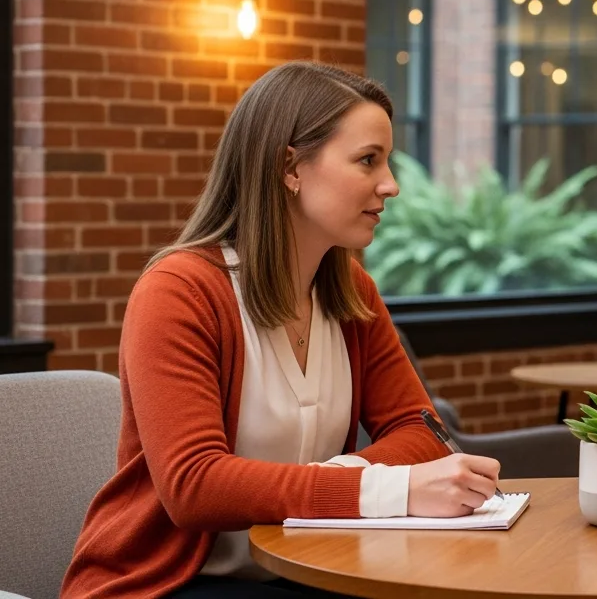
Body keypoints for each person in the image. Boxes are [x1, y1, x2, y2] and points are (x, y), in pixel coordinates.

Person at [61, 63, 503, 599]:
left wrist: (332, 483)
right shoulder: (179, 292)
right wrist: (384, 486)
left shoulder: (351, 292)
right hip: (169, 585)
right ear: (289, 166)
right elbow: (195, 487)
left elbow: (422, 433)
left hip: (306, 568)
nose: (391, 185)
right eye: (368, 160)